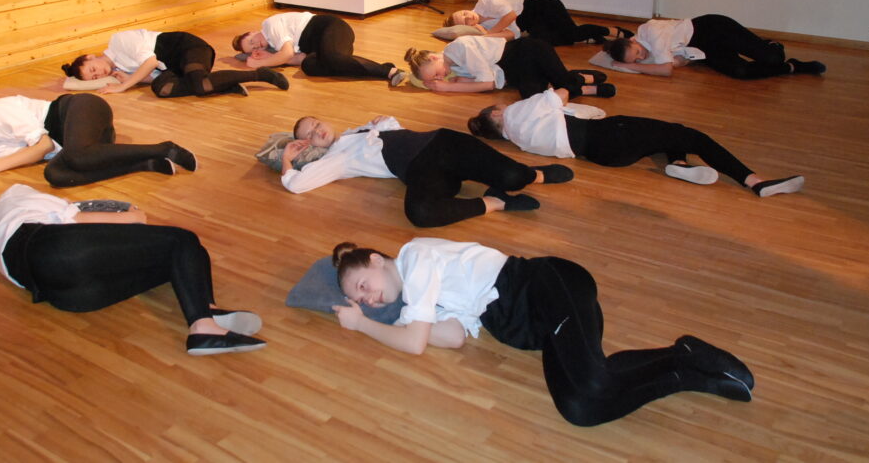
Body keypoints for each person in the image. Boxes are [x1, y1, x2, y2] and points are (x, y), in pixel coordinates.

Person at [330, 238, 755, 427]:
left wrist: (363, 324)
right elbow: (452, 337)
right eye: (360, 299)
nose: (368, 298)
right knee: (579, 409)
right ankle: (685, 370)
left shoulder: (415, 257)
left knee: (594, 383)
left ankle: (685, 356)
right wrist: (399, 321)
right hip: (543, 324)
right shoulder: (416, 303)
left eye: (362, 286)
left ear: (376, 259)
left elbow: (415, 345)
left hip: (545, 286)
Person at [0, 184, 266, 356]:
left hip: (67, 296)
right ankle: (203, 325)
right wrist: (131, 218)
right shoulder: (15, 195)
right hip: (54, 248)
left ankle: (207, 309)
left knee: (179, 257)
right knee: (182, 239)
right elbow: (72, 215)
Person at [467, 88, 805, 197]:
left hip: (603, 154)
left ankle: (678, 164)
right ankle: (754, 181)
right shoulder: (516, 113)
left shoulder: (519, 141)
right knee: (691, 135)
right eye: (499, 107)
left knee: (668, 134)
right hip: (611, 133)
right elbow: (562, 94)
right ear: (496, 114)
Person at [279, 114, 574, 227]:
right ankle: (495, 202)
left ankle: (535, 175)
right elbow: (297, 184)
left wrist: (380, 121)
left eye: (316, 123)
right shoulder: (335, 158)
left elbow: (395, 126)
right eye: (309, 134)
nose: (317, 130)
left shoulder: (355, 130)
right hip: (421, 170)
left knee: (514, 177)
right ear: (307, 144)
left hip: (441, 142)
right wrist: (287, 160)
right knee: (420, 214)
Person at [0, 93, 198, 187]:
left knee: (76, 156)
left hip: (81, 109)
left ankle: (164, 148)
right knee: (55, 176)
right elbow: (44, 156)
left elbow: (45, 146)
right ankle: (145, 163)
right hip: (87, 143)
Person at [61, 29, 289, 97]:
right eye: (95, 77)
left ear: (91, 56)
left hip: (186, 47)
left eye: (93, 69)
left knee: (199, 85)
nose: (99, 74)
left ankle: (261, 75)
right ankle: (225, 84)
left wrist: (125, 85)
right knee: (162, 89)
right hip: (173, 67)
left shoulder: (118, 41)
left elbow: (151, 61)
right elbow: (155, 75)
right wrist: (132, 78)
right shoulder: (121, 68)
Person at [603, 14, 826, 79]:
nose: (641, 58)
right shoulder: (644, 51)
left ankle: (770, 44)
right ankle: (792, 67)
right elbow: (679, 62)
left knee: (772, 57)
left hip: (713, 28)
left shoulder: (651, 31)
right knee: (740, 72)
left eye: (637, 53)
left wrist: (631, 67)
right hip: (703, 48)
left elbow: (667, 70)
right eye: (636, 59)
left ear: (633, 40)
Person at [404, 36, 615, 99]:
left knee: (561, 82)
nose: (440, 77)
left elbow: (488, 84)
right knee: (535, 98)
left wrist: (449, 88)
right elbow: (487, 80)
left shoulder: (459, 48)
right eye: (436, 79)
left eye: (436, 73)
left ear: (434, 57)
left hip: (528, 51)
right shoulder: (453, 67)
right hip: (517, 71)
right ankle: (580, 85)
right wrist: (464, 81)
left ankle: (584, 81)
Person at [232, 11, 408, 86]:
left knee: (332, 58)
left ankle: (388, 71)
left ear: (253, 31)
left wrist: (258, 64)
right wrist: (267, 57)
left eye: (252, 41)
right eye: (252, 49)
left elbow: (287, 54)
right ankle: (361, 65)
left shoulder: (269, 25)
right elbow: (299, 58)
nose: (256, 46)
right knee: (309, 66)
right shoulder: (274, 46)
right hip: (323, 47)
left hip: (330, 27)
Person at [445, 0, 631, 45]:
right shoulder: (485, 27)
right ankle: (592, 36)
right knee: (545, 42)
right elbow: (513, 34)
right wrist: (483, 33)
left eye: (464, 13)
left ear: (464, 9)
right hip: (533, 24)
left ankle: (612, 31)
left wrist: (488, 34)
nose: (468, 17)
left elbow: (511, 16)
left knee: (572, 34)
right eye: (466, 22)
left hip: (543, 6)